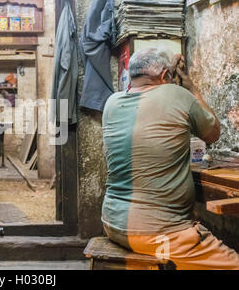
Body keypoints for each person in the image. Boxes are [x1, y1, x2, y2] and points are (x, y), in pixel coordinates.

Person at [101, 48, 239, 270]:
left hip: (113, 224)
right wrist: (190, 87)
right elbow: (212, 133)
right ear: (165, 75)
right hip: (158, 234)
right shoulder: (176, 94)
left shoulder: (111, 103)